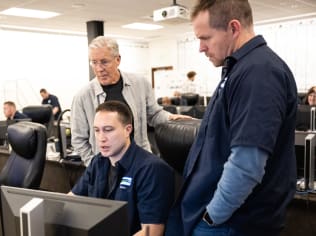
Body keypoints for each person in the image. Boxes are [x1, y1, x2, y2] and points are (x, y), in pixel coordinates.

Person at [170, 0, 298, 235]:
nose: (200, 47)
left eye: (205, 38)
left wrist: (212, 216)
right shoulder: (240, 68)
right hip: (220, 218)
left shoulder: (259, 73)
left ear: (234, 28)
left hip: (231, 222)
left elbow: (247, 163)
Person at [71, 36, 191, 166]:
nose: (99, 69)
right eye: (94, 62)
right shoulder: (82, 97)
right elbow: (78, 140)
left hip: (141, 162)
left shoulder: (140, 84)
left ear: (118, 60)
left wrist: (171, 117)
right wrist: (95, 166)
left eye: (104, 62)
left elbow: (154, 115)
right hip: (106, 167)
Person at [70, 101, 175, 236]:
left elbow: (151, 232)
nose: (101, 138)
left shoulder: (151, 169)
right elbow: (70, 201)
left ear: (127, 130)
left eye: (108, 130)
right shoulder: (98, 162)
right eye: (97, 130)